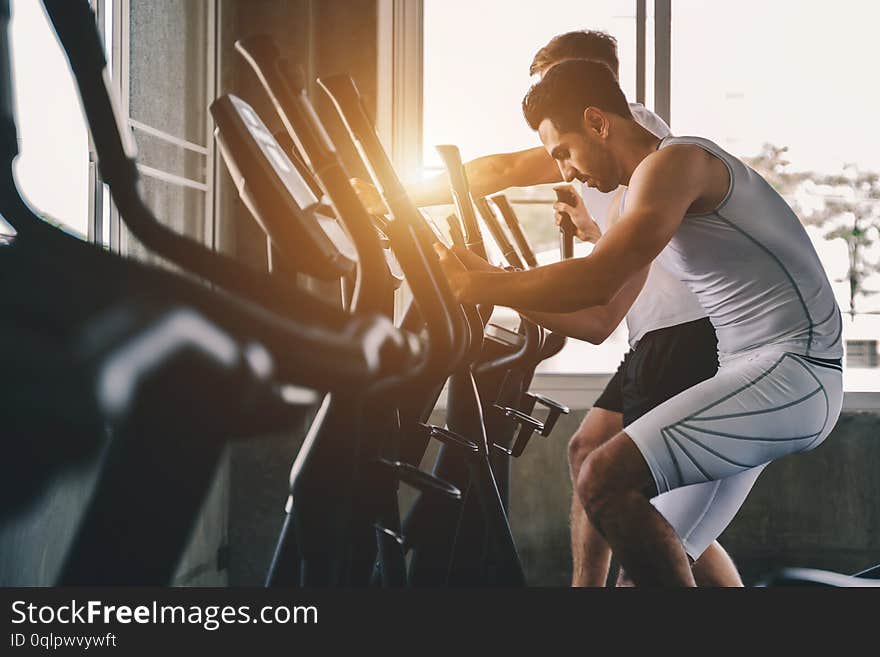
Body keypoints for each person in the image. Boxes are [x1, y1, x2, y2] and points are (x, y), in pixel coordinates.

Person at [432, 58, 844, 586]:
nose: (565, 172)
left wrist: (477, 283)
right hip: (750, 379)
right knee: (639, 573)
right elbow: (597, 316)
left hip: (795, 371)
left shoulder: (677, 163)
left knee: (602, 477)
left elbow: (596, 279)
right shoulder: (641, 197)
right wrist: (483, 278)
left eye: (563, 151)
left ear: (598, 123)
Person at [354, 31, 741, 586]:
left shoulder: (627, 130)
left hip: (681, 334)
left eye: (554, 81)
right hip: (654, 332)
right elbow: (628, 251)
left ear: (591, 90)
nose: (546, 96)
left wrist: (390, 197)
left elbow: (501, 172)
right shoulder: (621, 153)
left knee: (655, 522)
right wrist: (588, 227)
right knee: (593, 457)